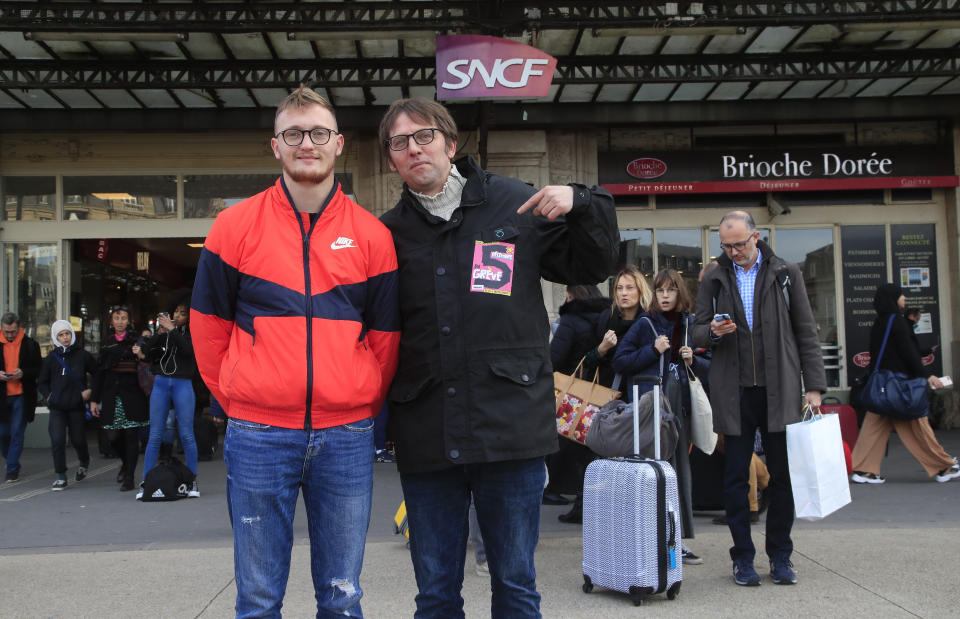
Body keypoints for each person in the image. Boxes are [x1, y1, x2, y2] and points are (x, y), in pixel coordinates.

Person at [378, 97, 618, 617]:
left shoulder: (515, 205)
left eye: (424, 136)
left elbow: (593, 262)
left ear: (450, 142)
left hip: (510, 428)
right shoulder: (385, 234)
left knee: (515, 586)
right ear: (391, 159)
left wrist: (583, 202)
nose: (414, 149)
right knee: (436, 593)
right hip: (427, 433)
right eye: (400, 143)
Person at [191, 84, 400, 618]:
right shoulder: (234, 227)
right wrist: (241, 398)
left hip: (346, 436)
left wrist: (360, 397)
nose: (307, 142)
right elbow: (208, 328)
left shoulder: (372, 235)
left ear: (339, 144)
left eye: (318, 133)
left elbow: (384, 337)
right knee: (258, 599)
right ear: (276, 145)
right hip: (258, 433)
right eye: (294, 133)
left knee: (342, 594)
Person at [692, 210, 826, 587]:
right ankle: (743, 558)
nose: (733, 251)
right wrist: (714, 331)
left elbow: (806, 330)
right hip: (733, 392)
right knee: (735, 479)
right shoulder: (714, 277)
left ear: (756, 236)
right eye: (726, 246)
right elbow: (697, 332)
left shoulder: (785, 273)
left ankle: (781, 557)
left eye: (739, 244)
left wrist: (814, 386)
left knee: (782, 479)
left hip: (779, 389)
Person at [612, 268, 710, 565]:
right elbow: (620, 361)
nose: (665, 296)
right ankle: (647, 540)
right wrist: (653, 351)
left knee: (678, 476)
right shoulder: (645, 323)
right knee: (650, 474)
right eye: (660, 290)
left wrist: (696, 360)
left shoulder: (690, 324)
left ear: (681, 293)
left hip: (679, 411)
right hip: (649, 412)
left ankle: (674, 541)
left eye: (671, 290)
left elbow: (712, 366)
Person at [556, 265, 652, 524]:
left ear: (640, 290)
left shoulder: (649, 320)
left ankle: (634, 513)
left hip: (639, 395)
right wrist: (602, 348)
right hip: (607, 396)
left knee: (636, 456)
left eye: (629, 287)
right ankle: (599, 510)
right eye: (619, 288)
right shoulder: (605, 319)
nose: (623, 293)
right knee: (599, 452)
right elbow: (588, 362)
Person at [850, 283, 959, 484]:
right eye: (901, 295)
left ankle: (863, 469)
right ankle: (943, 467)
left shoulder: (879, 323)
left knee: (872, 429)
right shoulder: (897, 323)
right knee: (918, 425)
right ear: (893, 298)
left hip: (883, 387)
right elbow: (909, 353)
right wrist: (926, 375)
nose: (904, 298)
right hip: (901, 387)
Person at [544, 284, 609, 507]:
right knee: (588, 441)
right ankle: (585, 491)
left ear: (574, 297)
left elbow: (556, 357)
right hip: (599, 388)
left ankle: (555, 487)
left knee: (564, 436)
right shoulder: (606, 317)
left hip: (570, 389)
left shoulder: (570, 321)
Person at [136, 301, 200, 499]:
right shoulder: (164, 332)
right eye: (175, 312)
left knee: (187, 434)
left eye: (183, 313)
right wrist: (158, 333)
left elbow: (189, 350)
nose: (178, 316)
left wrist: (173, 331)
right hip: (162, 383)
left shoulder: (191, 332)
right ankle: (147, 481)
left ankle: (191, 481)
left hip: (182, 383)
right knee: (155, 434)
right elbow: (147, 355)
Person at [90, 307, 150, 491]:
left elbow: (147, 362)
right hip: (111, 395)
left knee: (131, 436)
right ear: (111, 321)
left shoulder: (136, 341)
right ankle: (125, 463)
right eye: (117, 318)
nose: (120, 321)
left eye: (124, 318)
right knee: (112, 436)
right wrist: (94, 399)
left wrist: (141, 351)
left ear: (128, 321)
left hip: (132, 395)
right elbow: (99, 373)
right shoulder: (106, 342)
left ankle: (129, 477)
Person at [37, 320, 96, 490]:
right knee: (57, 440)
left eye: (67, 334)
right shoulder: (51, 358)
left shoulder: (82, 355)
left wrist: (90, 391)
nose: (65, 338)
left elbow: (98, 373)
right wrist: (48, 396)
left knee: (78, 440)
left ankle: (84, 461)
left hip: (76, 405)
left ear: (72, 335)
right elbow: (42, 382)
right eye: (61, 335)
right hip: (57, 407)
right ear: (56, 338)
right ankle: (61, 476)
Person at [0, 312, 42, 483]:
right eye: (6, 332)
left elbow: (38, 369)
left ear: (19, 328)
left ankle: (12, 469)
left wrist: (23, 373)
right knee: (3, 434)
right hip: (2, 396)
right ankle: (10, 459)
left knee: (17, 432)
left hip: (22, 396)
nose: (9, 335)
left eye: (13, 332)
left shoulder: (30, 344)